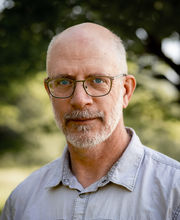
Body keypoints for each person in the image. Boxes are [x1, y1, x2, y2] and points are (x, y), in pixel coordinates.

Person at [1, 22, 180, 220]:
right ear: (49, 92)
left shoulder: (174, 194)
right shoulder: (22, 202)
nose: (79, 100)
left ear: (126, 91)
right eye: (63, 82)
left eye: (97, 81)